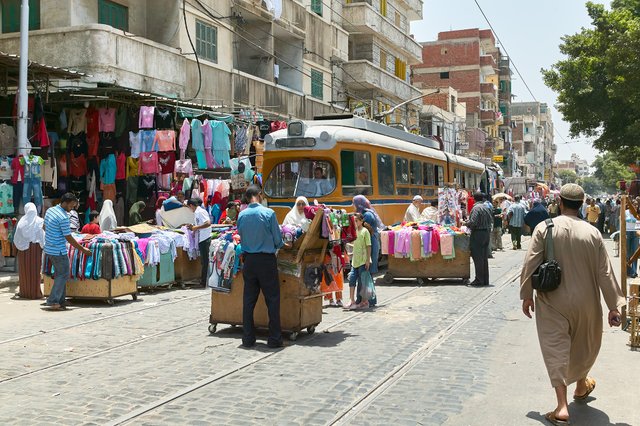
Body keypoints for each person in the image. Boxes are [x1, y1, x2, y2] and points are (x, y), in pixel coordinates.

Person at [520, 183, 624, 425]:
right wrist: (613, 306)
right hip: (587, 301)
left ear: (560, 203)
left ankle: (562, 407)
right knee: (583, 345)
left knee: (555, 348)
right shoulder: (593, 233)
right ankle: (580, 386)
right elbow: (605, 272)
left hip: (552, 301)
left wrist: (526, 294)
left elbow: (530, 264)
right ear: (582, 205)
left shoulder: (544, 229)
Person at [237, 185, 284, 348]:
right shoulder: (268, 213)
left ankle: (248, 338)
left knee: (248, 301)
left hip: (249, 261)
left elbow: (241, 235)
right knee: (272, 299)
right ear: (259, 195)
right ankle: (274, 338)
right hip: (266, 260)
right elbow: (278, 240)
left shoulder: (241, 215)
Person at [44, 193, 92, 311]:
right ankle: (53, 300)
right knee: (63, 274)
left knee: (60, 274)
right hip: (58, 250)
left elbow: (44, 227)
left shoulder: (50, 210)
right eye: (71, 206)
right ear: (65, 202)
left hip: (49, 249)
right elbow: (69, 237)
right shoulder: (63, 217)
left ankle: (61, 300)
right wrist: (83, 249)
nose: (71, 209)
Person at [353, 195, 382, 306]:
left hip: (369, 245)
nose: (353, 205)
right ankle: (363, 299)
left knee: (366, 273)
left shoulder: (367, 215)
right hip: (367, 244)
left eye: (354, 203)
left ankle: (368, 300)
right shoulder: (365, 213)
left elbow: (364, 232)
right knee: (364, 274)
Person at [14, 202, 45, 299]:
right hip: (36, 249)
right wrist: (43, 245)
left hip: (23, 250)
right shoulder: (40, 221)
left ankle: (24, 292)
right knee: (35, 271)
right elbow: (42, 235)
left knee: (24, 271)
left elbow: (16, 238)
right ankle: (35, 293)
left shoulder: (21, 222)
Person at [465, 192, 493, 286]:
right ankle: (485, 279)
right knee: (484, 258)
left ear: (474, 198)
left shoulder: (476, 208)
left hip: (478, 234)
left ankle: (479, 280)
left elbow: (473, 222)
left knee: (478, 258)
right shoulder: (486, 207)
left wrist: (465, 223)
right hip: (486, 233)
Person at [346, 213, 372, 310]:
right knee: (352, 279)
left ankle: (364, 301)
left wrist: (367, 260)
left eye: (356, 220)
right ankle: (351, 300)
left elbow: (369, 246)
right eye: (354, 221)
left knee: (362, 282)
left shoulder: (365, 231)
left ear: (361, 221)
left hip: (363, 261)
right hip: (355, 261)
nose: (355, 222)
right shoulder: (354, 231)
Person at [186, 198, 212, 287]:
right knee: (203, 261)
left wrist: (195, 228)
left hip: (205, 238)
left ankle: (204, 282)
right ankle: (203, 281)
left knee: (205, 261)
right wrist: (193, 227)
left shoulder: (201, 212)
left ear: (191, 205)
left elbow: (208, 223)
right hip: (201, 239)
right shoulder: (197, 213)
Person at [625, 205, 639, 278]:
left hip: (635, 233)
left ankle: (634, 272)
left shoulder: (637, 214)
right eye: (633, 207)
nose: (634, 208)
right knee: (627, 253)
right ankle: (627, 271)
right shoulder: (625, 213)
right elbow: (622, 223)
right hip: (627, 232)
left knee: (635, 253)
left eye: (636, 207)